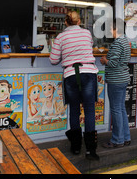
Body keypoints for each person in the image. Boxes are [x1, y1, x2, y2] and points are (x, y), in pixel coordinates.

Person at [50, 11, 99, 160]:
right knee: (90, 110)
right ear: (79, 22)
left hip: (71, 74)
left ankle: (76, 147)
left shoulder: (60, 37)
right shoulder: (87, 34)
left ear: (65, 22)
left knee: (74, 110)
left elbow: (53, 60)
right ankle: (91, 150)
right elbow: (88, 47)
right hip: (88, 73)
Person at [100, 18, 132, 148]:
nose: (109, 31)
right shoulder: (126, 41)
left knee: (116, 110)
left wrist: (104, 60)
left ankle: (117, 140)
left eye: (110, 28)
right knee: (121, 109)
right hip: (123, 78)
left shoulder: (118, 43)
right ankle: (126, 137)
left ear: (116, 29)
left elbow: (113, 63)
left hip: (116, 80)